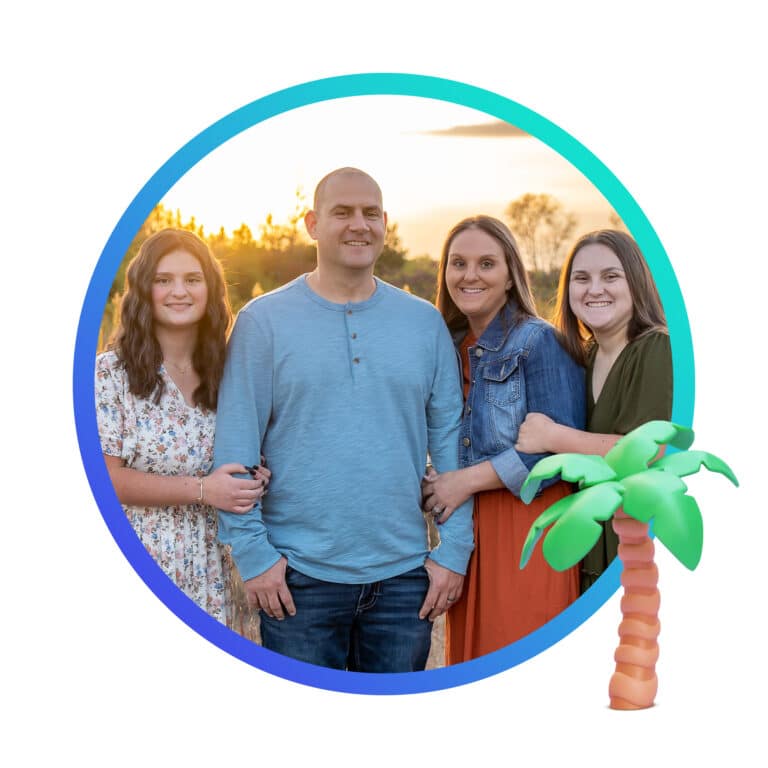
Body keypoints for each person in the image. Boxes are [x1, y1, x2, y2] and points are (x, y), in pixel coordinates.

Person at [213, 167, 474, 672]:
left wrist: (454, 550)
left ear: (384, 223)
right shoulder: (261, 323)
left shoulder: (424, 323)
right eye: (342, 212)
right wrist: (254, 557)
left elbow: (450, 444)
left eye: (370, 213)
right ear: (312, 223)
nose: (359, 225)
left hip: (404, 581)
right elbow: (236, 450)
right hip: (296, 581)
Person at [421, 215, 585, 664]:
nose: (470, 275)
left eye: (486, 264)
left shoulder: (539, 342)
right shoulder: (442, 346)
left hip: (526, 525)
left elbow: (556, 455)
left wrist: (463, 482)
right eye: (459, 263)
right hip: (465, 527)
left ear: (511, 275)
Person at [95, 228, 269, 624]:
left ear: (210, 290)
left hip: (210, 571)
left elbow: (241, 457)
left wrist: (253, 477)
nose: (179, 291)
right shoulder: (111, 374)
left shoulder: (228, 373)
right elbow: (104, 479)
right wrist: (206, 490)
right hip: (140, 561)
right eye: (163, 280)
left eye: (192, 279)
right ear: (143, 290)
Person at [515, 229, 672, 593]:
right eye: (581, 278)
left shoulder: (656, 348)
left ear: (636, 282)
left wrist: (553, 437)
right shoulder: (581, 357)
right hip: (591, 546)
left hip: (637, 546)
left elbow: (647, 452)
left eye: (611, 276)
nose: (594, 289)